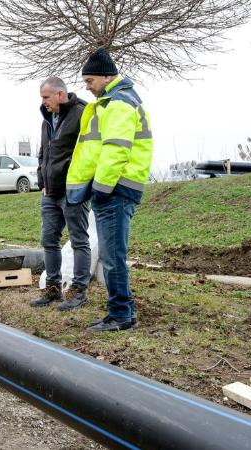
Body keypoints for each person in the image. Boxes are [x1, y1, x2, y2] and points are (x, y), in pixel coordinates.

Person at [66, 48, 154, 332]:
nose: (87, 87)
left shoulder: (118, 103)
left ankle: (121, 315)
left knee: (112, 257)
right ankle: (120, 311)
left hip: (115, 190)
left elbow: (116, 150)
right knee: (111, 255)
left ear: (106, 77)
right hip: (116, 188)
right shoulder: (116, 101)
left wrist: (101, 189)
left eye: (90, 80)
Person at [30, 76, 91, 311]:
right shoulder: (47, 120)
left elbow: (90, 151)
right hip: (50, 192)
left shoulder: (81, 113)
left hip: (73, 190)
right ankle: (53, 288)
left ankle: (79, 291)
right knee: (48, 240)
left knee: (79, 240)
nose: (43, 102)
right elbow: (43, 153)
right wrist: (41, 181)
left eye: (46, 97)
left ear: (60, 94)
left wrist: (82, 182)